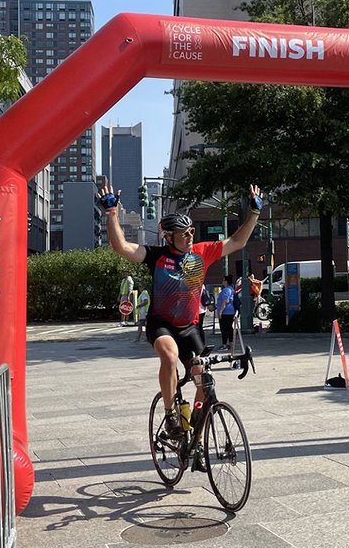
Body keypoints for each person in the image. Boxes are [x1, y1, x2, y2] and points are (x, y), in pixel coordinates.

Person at [97, 179, 263, 468]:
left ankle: (195, 439)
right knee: (170, 356)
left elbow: (238, 241)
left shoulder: (201, 252)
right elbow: (121, 246)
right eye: (182, 233)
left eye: (190, 232)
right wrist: (112, 214)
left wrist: (254, 213)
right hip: (162, 324)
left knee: (203, 378)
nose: (189, 236)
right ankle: (171, 413)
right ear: (168, 237)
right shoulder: (156, 256)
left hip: (190, 327)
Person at [215, 274, 236, 348]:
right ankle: (231, 343)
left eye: (223, 280)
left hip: (225, 312)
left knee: (224, 329)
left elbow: (225, 301)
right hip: (230, 312)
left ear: (226, 281)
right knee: (229, 328)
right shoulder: (231, 289)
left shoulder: (226, 290)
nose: (222, 281)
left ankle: (224, 344)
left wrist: (220, 311)